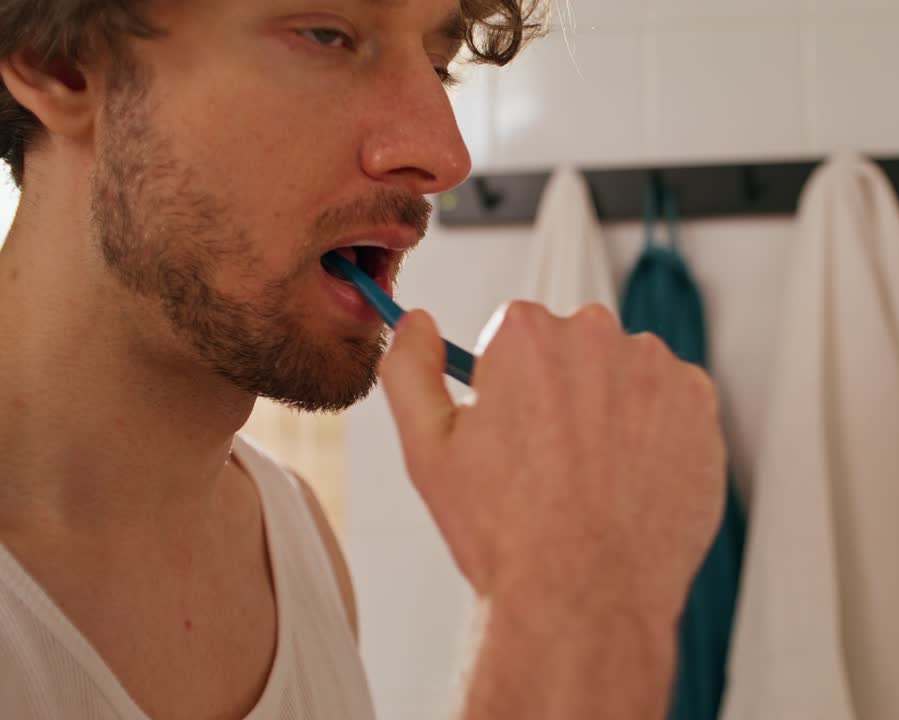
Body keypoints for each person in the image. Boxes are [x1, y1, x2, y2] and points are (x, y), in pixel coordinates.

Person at [0, 1, 727, 718]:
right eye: (327, 36)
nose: (445, 157)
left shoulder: (294, 538)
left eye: (437, 65)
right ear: (59, 61)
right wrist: (571, 601)